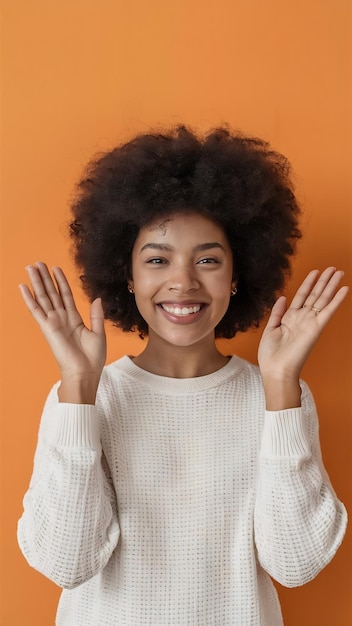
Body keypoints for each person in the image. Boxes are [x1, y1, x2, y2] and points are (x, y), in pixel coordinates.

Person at [17, 125, 348, 626]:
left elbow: (296, 563)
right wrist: (80, 391)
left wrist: (280, 385)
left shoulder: (280, 396)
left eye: (208, 260)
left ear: (237, 277)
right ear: (127, 276)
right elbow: (66, 561)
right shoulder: (82, 395)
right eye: (157, 259)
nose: (182, 282)